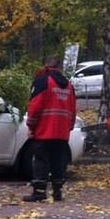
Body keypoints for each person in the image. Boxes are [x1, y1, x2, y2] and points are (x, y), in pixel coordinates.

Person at [23, 56, 76, 202]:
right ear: (60, 68)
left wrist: (31, 126)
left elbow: (35, 106)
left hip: (44, 130)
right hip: (62, 131)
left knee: (41, 161)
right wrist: (69, 127)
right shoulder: (69, 86)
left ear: (46, 65)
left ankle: (39, 192)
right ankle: (57, 192)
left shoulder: (43, 81)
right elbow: (72, 108)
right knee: (58, 161)